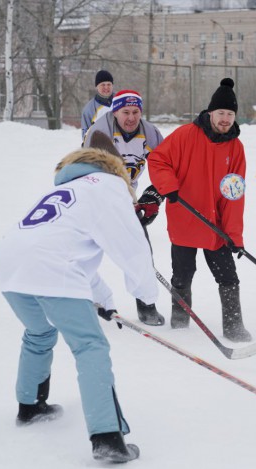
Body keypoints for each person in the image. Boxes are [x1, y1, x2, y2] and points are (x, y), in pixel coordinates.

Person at [0, 145, 159, 463]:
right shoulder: (109, 185)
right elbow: (132, 245)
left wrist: (105, 302)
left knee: (39, 333)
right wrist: (147, 295)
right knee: (90, 347)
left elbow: (73, 256)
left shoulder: (67, 189)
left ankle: (30, 406)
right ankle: (108, 437)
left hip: (10, 265)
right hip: (50, 267)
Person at [148, 78, 252, 341]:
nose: (225, 119)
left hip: (215, 226)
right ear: (210, 113)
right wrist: (168, 186)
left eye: (230, 114)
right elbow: (158, 159)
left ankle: (233, 325)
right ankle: (180, 323)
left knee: (228, 276)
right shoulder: (185, 135)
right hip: (185, 218)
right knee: (182, 276)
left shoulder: (236, 148)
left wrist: (234, 236)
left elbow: (234, 195)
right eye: (221, 113)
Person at [83, 89, 166, 326]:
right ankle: (79, 300)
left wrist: (153, 196)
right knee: (85, 253)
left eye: (136, 112)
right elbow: (90, 171)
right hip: (95, 197)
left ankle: (146, 305)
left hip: (127, 196)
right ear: (116, 112)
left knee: (140, 250)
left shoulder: (150, 133)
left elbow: (165, 166)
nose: (131, 117)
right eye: (125, 112)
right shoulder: (100, 131)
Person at [81, 70, 115, 141]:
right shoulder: (88, 109)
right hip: (100, 149)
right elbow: (85, 136)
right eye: (103, 84)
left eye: (109, 84)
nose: (106, 87)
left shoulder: (120, 102)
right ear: (97, 86)